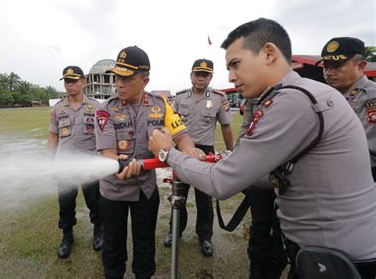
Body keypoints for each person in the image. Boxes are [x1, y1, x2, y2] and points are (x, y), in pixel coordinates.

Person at [149, 18, 376, 278]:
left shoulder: (293, 100)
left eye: (236, 64)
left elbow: (222, 182)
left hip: (337, 261)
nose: (231, 76)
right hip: (328, 253)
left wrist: (167, 152)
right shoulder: (299, 93)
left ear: (268, 53)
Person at [95, 46, 200, 279]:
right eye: (117, 77)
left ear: (145, 80)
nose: (119, 84)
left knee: (145, 241)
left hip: (145, 189)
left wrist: (190, 149)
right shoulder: (105, 110)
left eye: (127, 78)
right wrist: (118, 165)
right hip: (113, 191)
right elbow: (108, 154)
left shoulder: (160, 105)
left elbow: (181, 135)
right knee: (113, 245)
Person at [163, 59, 234, 257]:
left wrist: (232, 153)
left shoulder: (219, 98)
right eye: (197, 74)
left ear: (210, 77)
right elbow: (170, 124)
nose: (200, 78)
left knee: (204, 199)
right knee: (179, 196)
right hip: (182, 150)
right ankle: (174, 231)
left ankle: (205, 237)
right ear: (191, 75)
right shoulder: (179, 98)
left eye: (205, 75)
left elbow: (227, 127)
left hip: (206, 153)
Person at [47, 66, 103, 259]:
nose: (69, 85)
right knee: (65, 203)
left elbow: (104, 135)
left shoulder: (96, 107)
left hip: (90, 164)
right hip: (65, 165)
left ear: (83, 82)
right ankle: (67, 236)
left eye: (73, 80)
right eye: (66, 81)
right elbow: (53, 135)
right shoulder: (58, 108)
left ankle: (99, 231)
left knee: (95, 202)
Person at [239, 99, 287, 278]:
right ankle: (256, 270)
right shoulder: (254, 96)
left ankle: (274, 269)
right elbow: (246, 129)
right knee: (259, 226)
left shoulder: (295, 93)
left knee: (282, 230)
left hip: (287, 177)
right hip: (260, 175)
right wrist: (238, 161)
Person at [318, 37, 376, 181]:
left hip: (363, 178)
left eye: (337, 66)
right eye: (326, 67)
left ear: (361, 66)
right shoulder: (327, 95)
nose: (329, 73)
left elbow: (368, 153)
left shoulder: (371, 97)